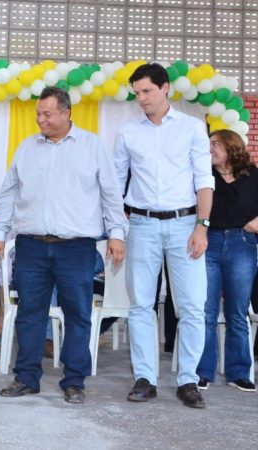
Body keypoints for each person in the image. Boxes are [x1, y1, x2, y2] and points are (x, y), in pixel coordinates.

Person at [0, 86, 127, 404]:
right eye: (39, 113)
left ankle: (74, 381)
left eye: (47, 114)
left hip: (76, 247)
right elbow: (8, 193)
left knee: (77, 313)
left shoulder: (92, 147)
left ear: (67, 113)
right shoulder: (27, 148)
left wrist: (117, 233)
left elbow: (110, 193)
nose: (41, 119)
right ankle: (26, 378)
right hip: (31, 246)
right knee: (29, 313)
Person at [114, 63, 214, 409]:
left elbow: (204, 180)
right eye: (137, 93)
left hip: (185, 225)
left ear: (165, 88)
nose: (141, 99)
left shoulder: (191, 128)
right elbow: (115, 183)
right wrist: (116, 229)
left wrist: (203, 225)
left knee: (191, 306)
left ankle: (187, 379)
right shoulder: (128, 132)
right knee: (141, 304)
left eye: (147, 91)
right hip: (140, 225)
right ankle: (145, 378)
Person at [195, 129, 257, 392]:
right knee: (206, 311)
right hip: (209, 242)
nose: (211, 149)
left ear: (232, 147)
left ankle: (239, 372)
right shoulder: (203, 177)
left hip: (243, 243)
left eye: (216, 144)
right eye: (209, 145)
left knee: (237, 311)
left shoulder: (253, 175)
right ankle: (203, 372)